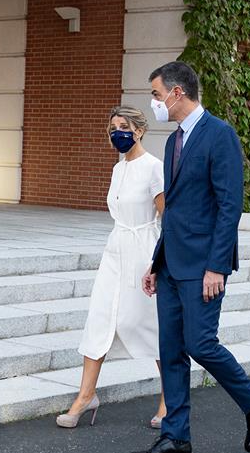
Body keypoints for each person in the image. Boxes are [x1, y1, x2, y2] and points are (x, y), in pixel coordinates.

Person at [128, 61, 250, 453]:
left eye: (156, 94)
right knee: (171, 350)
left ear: (177, 93)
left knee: (200, 343)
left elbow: (230, 207)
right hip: (172, 264)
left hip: (203, 266)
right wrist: (157, 263)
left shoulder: (220, 136)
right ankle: (176, 438)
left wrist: (217, 267)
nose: (153, 102)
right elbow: (173, 210)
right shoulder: (174, 141)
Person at [56, 105, 167, 429]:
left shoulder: (154, 168)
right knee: (100, 319)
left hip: (145, 251)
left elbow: (167, 217)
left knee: (149, 324)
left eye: (123, 127)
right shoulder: (118, 169)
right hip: (115, 251)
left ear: (139, 130)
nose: (116, 133)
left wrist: (159, 262)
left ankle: (169, 398)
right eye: (112, 128)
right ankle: (85, 396)